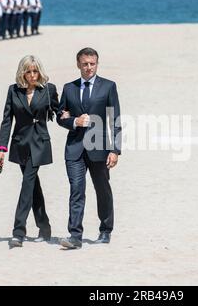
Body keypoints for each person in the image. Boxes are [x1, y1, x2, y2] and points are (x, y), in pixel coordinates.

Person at [57, 47, 122, 250]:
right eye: (85, 64)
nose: (88, 68)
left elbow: (115, 119)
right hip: (75, 148)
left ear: (97, 64)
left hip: (100, 147)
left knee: (102, 190)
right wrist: (74, 121)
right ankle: (75, 235)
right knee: (77, 190)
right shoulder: (69, 88)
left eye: (92, 64)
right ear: (78, 64)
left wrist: (115, 149)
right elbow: (61, 116)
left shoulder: (108, 86)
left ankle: (105, 230)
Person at [0, 55, 59, 248]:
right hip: (20, 144)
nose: (32, 75)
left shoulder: (48, 90)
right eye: (28, 71)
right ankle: (44, 226)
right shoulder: (13, 91)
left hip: (40, 143)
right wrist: (1, 149)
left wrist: (75, 118)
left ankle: (18, 232)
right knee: (33, 185)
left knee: (27, 183)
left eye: (35, 71)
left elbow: (60, 111)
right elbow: (7, 120)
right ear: (22, 72)